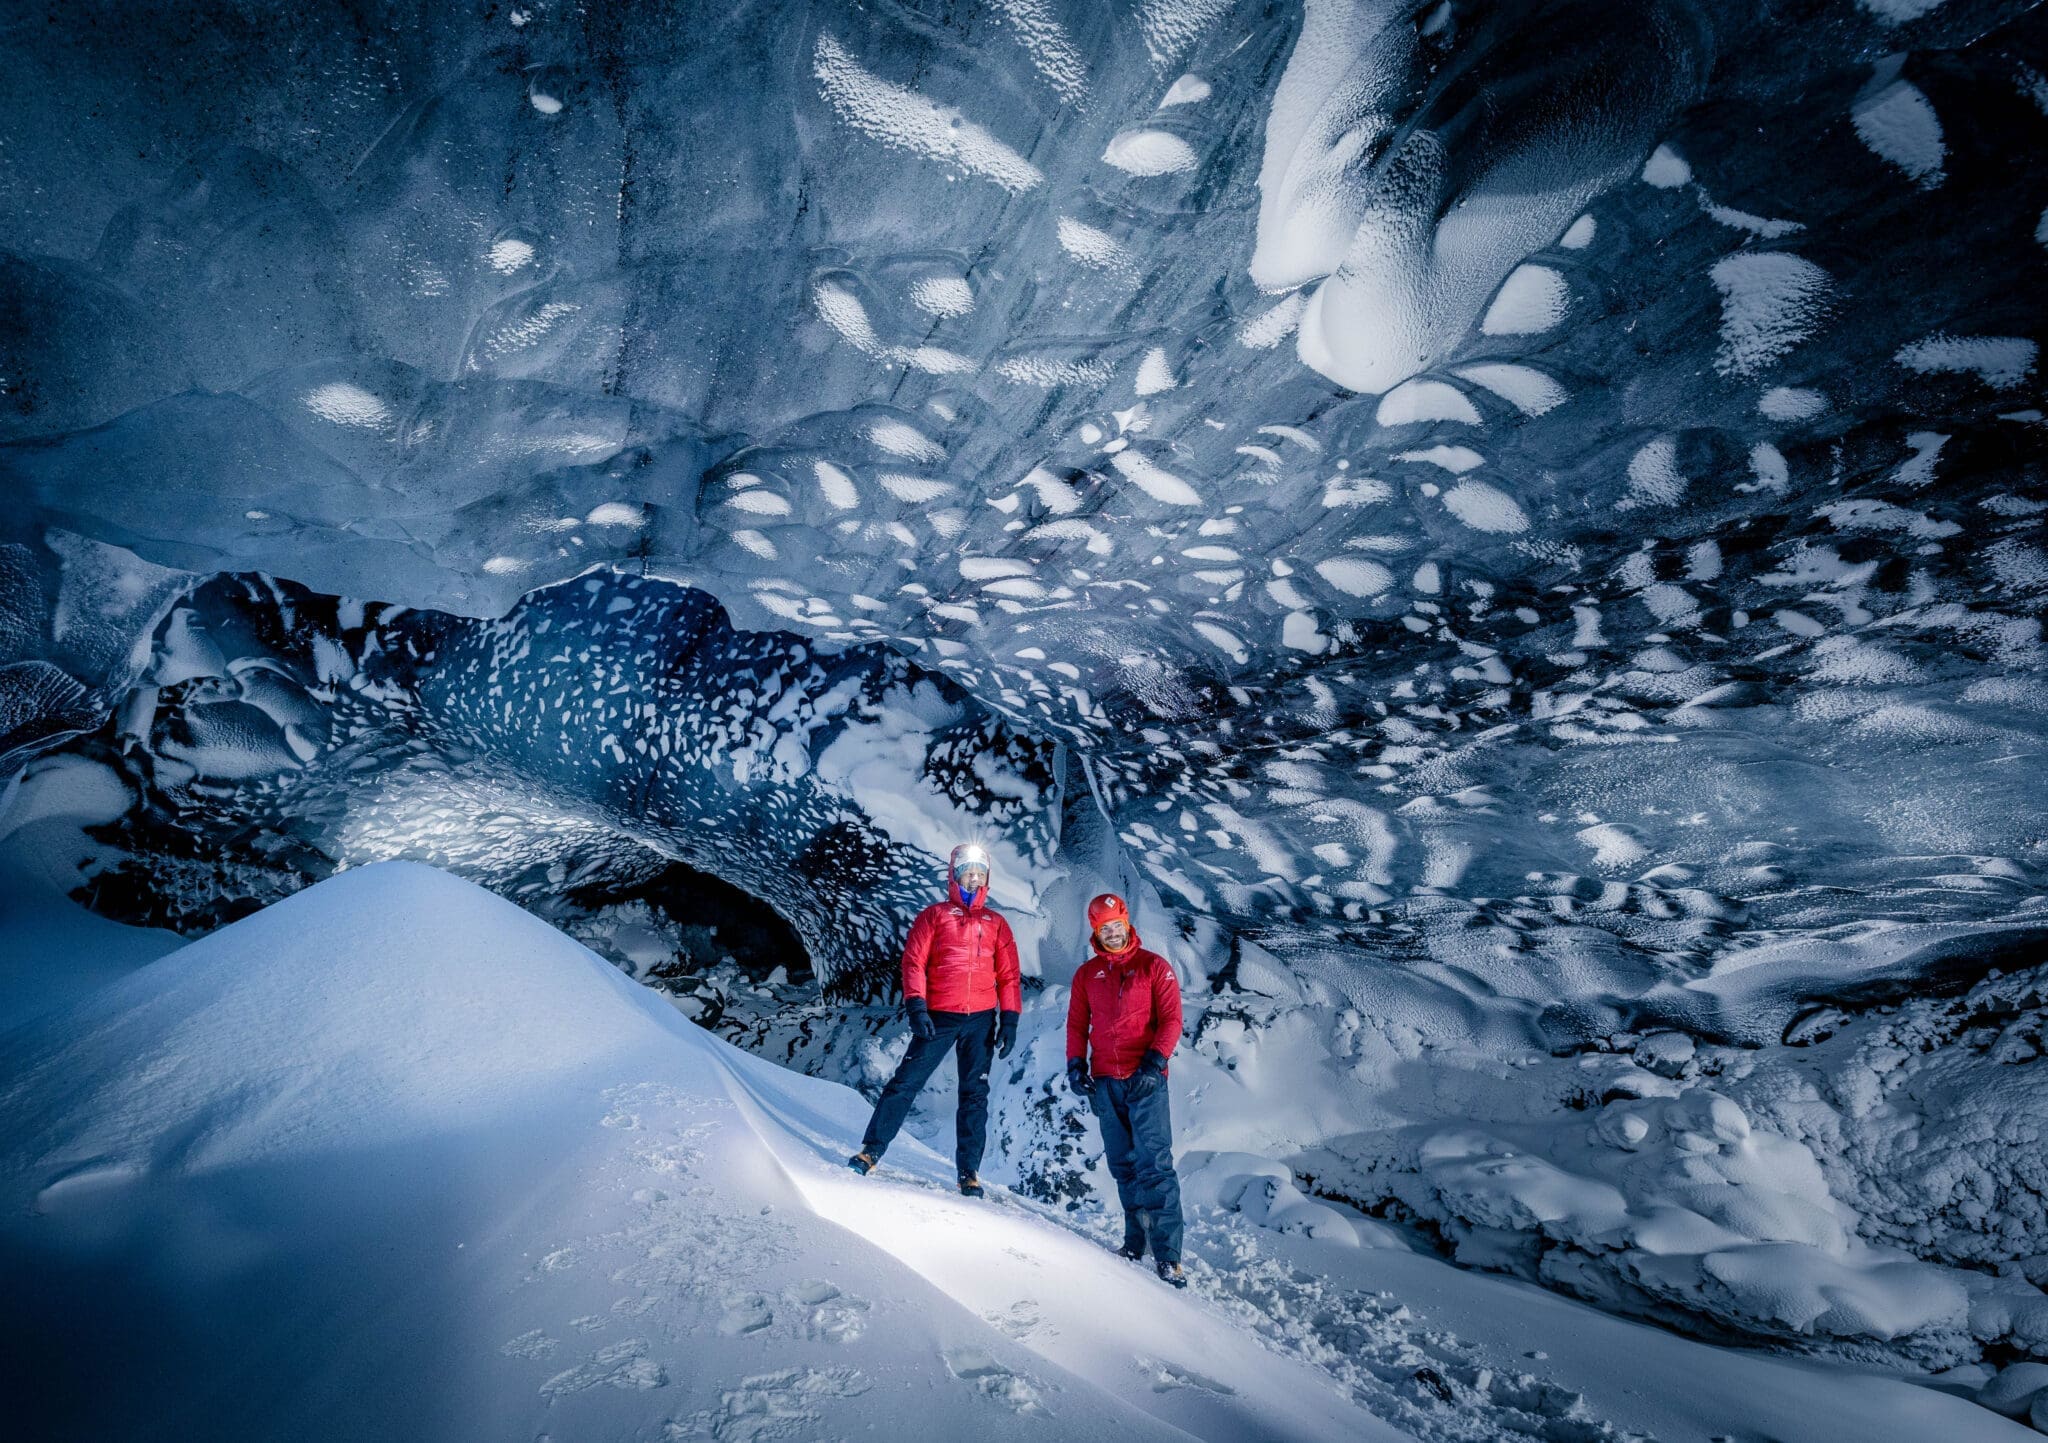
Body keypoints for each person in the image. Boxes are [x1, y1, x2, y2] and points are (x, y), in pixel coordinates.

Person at [849, 842, 1021, 1197]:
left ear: (986, 879)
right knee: (905, 1083)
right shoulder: (935, 915)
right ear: (955, 877)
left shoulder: (996, 923)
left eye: (980, 874)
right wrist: (917, 1006)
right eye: (967, 873)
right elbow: (913, 963)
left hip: (982, 1020)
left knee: (975, 1095)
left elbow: (1009, 976)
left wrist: (1011, 1019)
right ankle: (871, 1150)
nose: (974, 879)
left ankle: (969, 1173)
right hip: (940, 1015)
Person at [1065, 892, 1187, 1287]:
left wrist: (1155, 1061)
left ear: (1127, 923)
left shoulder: (1154, 967)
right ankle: (1135, 1244)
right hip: (1105, 1082)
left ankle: (1168, 1257)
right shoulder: (1087, 976)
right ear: (1095, 930)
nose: (1113, 934)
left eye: (1117, 925)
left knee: (1155, 1166)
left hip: (1145, 1081)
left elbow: (1171, 1019)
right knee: (1123, 1167)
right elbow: (1076, 1025)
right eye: (1105, 928)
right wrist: (1074, 1064)